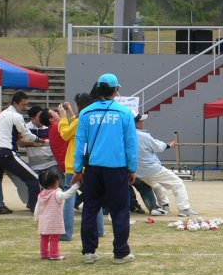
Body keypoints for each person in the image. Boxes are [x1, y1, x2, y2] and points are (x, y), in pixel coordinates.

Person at [72, 73, 138, 264]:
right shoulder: (124, 114)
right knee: (119, 210)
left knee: (90, 209)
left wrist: (78, 169)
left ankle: (89, 252)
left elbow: (80, 144)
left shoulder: (86, 113)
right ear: (116, 90)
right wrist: (131, 168)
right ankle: (121, 252)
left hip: (92, 168)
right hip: (116, 168)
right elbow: (130, 144)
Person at [58, 94, 103, 241]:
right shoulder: (93, 119)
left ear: (79, 105)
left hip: (74, 166)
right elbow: (76, 124)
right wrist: (70, 113)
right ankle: (99, 230)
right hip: (91, 164)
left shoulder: (79, 122)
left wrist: (63, 118)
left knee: (69, 198)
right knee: (95, 197)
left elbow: (65, 134)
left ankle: (66, 233)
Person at [134, 112, 197, 216]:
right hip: (151, 168)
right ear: (136, 123)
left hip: (137, 170)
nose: (142, 122)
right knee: (178, 183)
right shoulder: (143, 136)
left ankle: (164, 206)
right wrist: (168, 145)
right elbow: (158, 147)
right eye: (140, 120)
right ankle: (184, 209)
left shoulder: (124, 134)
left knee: (156, 185)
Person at [0, 91, 44, 212]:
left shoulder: (2, 114)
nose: (25, 108)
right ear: (15, 103)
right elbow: (26, 135)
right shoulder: (16, 116)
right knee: (34, 178)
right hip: (7, 153)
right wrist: (41, 141)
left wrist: (11, 134)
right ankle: (34, 206)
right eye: (23, 105)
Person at [34, 169, 79, 261]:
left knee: (44, 238)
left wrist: (37, 218)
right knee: (54, 238)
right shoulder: (56, 194)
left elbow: (37, 208)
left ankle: (44, 254)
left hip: (43, 222)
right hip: (54, 221)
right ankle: (54, 254)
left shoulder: (41, 194)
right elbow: (67, 195)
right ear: (56, 182)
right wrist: (76, 185)